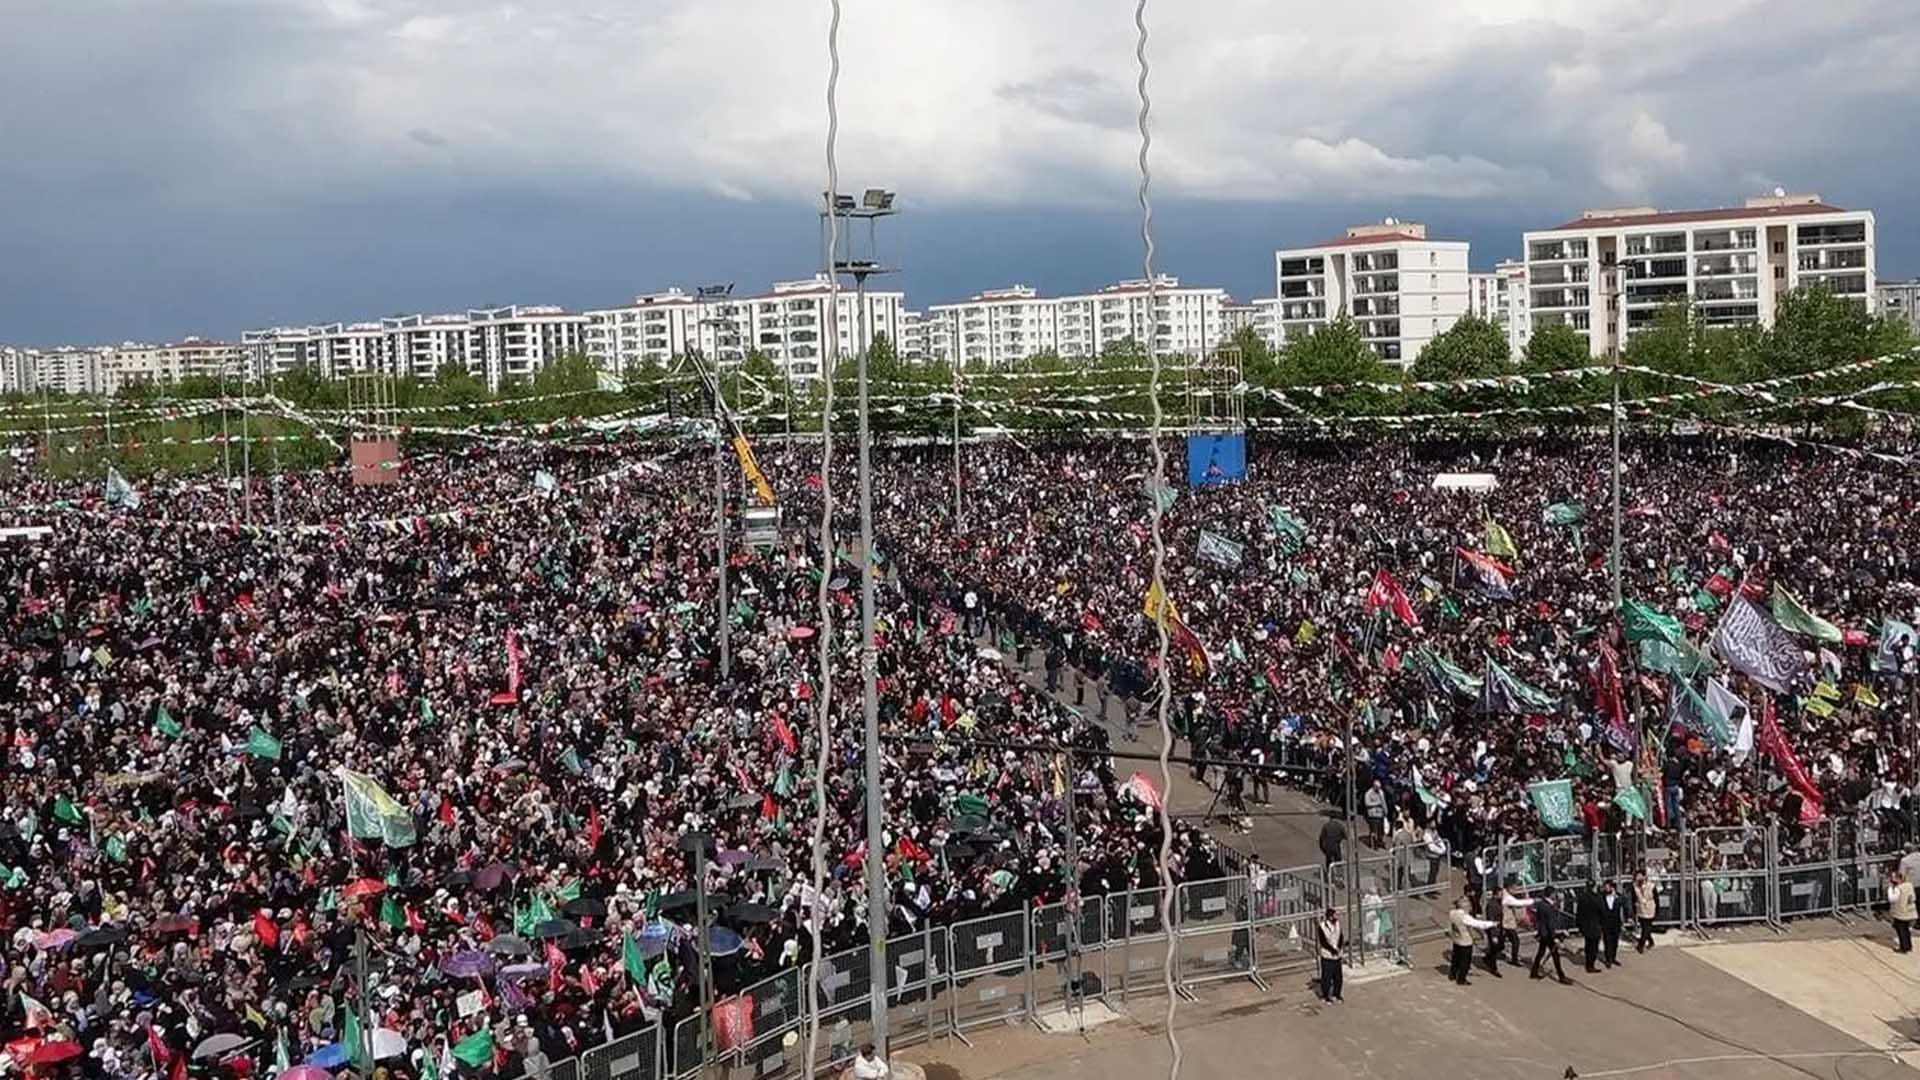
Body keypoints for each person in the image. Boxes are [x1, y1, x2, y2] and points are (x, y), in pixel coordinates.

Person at [1447, 896, 1497, 986]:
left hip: (1456, 939)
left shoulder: (1452, 913)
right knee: (1465, 961)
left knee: (1456, 959)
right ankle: (1461, 979)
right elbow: (1478, 924)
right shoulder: (1464, 917)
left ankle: (1452, 975)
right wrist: (1492, 923)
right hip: (1465, 941)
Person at [1528, 886, 1571, 984]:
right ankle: (1561, 976)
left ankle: (1534, 971)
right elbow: (1550, 923)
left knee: (1541, 952)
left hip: (1543, 933)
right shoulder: (1547, 907)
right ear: (1551, 894)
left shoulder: (1542, 904)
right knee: (1555, 955)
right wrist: (1555, 937)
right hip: (1548, 934)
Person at [1316, 907, 1344, 1004]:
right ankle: (1326, 995)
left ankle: (1337, 994)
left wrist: (1339, 948)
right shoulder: (1322, 927)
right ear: (1330, 917)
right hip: (1327, 955)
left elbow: (1340, 936)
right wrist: (1332, 950)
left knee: (1338, 977)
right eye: (1335, 915)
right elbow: (1323, 942)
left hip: (1337, 955)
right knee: (1327, 977)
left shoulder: (1337, 924)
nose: (1337, 917)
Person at [1576, 883, 1604, 973]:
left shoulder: (1582, 898)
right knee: (1594, 946)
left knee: (1588, 945)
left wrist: (1579, 926)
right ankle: (1591, 965)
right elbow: (1602, 910)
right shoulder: (1597, 898)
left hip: (1586, 926)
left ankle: (1589, 963)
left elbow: (1579, 913)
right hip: (1595, 925)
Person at [1889, 870, 1916, 954]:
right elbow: (1913, 897)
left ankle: (1903, 947)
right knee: (1906, 929)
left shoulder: (1897, 888)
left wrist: (1890, 889)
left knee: (1901, 929)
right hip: (1909, 911)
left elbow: (1892, 899)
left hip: (1900, 912)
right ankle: (1908, 946)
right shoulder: (1909, 885)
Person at [1599, 880, 1625, 967]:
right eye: (1605, 887)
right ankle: (1608, 959)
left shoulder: (1619, 896)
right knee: (1607, 941)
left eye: (1608, 887)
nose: (1606, 889)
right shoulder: (1601, 897)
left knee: (1615, 942)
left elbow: (1624, 907)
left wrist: (1626, 919)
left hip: (1616, 922)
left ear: (1612, 887)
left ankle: (1613, 958)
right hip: (1605, 922)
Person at [1633, 872, 1658, 953]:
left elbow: (1656, 898)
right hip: (1641, 909)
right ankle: (1651, 941)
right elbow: (1633, 899)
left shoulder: (1651, 886)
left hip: (1650, 908)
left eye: (1641, 876)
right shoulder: (1635, 887)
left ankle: (1641, 944)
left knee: (1647, 927)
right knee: (1644, 927)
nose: (1639, 879)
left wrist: (1657, 910)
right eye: (1637, 877)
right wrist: (1634, 910)